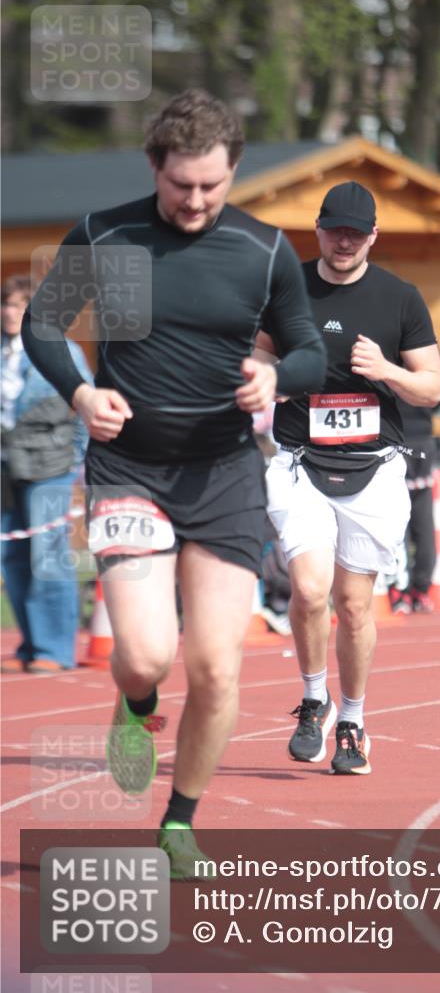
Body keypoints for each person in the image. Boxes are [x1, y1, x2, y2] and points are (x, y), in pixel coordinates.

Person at [21, 89, 326, 875]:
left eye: (211, 186)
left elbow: (308, 350)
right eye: (180, 184)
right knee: (147, 655)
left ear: (233, 174)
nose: (195, 200)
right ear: (155, 166)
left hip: (224, 471)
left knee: (218, 665)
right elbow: (42, 322)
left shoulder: (264, 251)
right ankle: (135, 703)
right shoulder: (104, 233)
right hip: (129, 468)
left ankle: (179, 822)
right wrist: (83, 392)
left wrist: (274, 375)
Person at [256, 181, 440, 775]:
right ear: (317, 229)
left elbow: (433, 388)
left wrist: (386, 370)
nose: (343, 240)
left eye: (355, 233)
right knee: (309, 591)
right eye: (334, 229)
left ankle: (355, 722)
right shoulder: (286, 291)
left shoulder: (401, 298)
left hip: (374, 467)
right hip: (297, 462)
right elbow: (258, 359)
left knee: (355, 607)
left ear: (373, 236)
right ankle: (315, 699)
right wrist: (276, 374)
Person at [1, 275, 93, 673]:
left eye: (19, 305)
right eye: (5, 304)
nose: (9, 312)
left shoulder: (63, 351)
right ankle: (31, 644)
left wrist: (75, 461)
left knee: (49, 556)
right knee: (12, 555)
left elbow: (86, 409)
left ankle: (55, 650)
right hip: (6, 466)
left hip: (51, 465)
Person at [387, 402, 439, 615]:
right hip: (424, 440)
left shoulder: (388, 366)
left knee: (398, 519)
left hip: (397, 439)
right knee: (423, 516)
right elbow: (438, 399)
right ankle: (421, 587)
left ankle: (401, 589)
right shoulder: (431, 367)